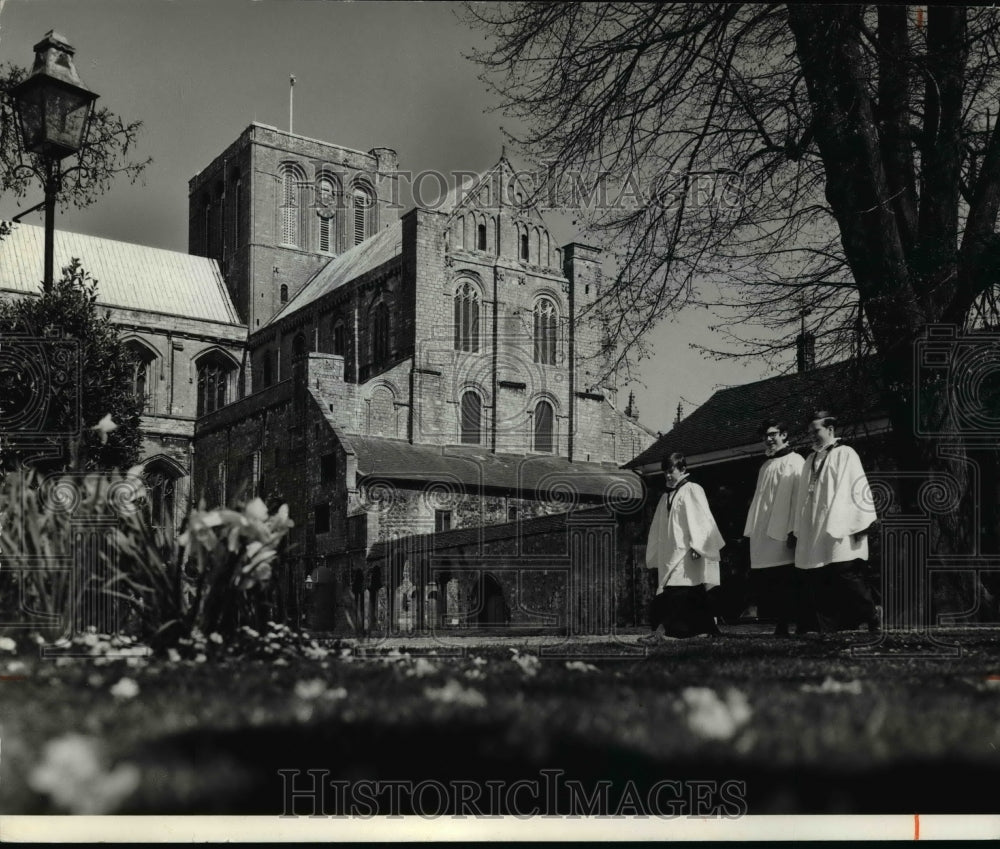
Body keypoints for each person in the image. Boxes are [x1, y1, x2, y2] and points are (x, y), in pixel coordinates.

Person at [792, 411, 880, 633]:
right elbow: (803, 496)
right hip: (815, 526)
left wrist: (859, 524)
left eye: (816, 431)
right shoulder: (810, 459)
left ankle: (871, 616)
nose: (812, 436)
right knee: (820, 576)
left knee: (846, 572)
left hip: (841, 524)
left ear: (830, 429)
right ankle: (829, 625)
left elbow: (856, 488)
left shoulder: (845, 454)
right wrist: (799, 527)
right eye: (810, 432)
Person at [642, 453, 726, 642]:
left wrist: (699, 545)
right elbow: (659, 527)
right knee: (692, 591)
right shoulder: (666, 496)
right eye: (665, 472)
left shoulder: (692, 490)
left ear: (683, 469)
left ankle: (660, 632)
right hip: (671, 551)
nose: (668, 476)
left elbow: (701, 519)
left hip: (688, 550)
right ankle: (709, 629)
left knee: (676, 591)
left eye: (671, 471)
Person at [743, 420, 804, 636]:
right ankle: (781, 624)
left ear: (785, 435)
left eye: (773, 434)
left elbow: (798, 499)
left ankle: (796, 623)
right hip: (764, 532)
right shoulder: (765, 466)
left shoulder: (795, 461)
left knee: (787, 578)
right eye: (765, 436)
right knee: (771, 580)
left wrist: (793, 529)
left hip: (783, 530)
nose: (769, 439)